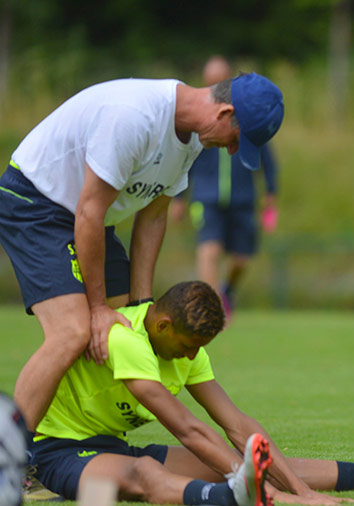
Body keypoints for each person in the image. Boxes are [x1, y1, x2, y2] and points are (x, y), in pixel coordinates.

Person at [0, 70, 285, 433]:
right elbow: (89, 211)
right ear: (225, 113)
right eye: (236, 140)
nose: (231, 150)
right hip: (35, 200)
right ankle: (9, 457)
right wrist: (98, 308)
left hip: (86, 216)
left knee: (129, 329)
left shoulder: (194, 140)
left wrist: (140, 304)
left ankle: (69, 439)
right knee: (72, 331)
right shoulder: (135, 118)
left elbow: (153, 217)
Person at [26, 281, 354, 506]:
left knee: (261, 460)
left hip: (107, 445)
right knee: (142, 480)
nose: (193, 356)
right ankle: (235, 497)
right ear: (162, 327)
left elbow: (236, 424)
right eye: (189, 345)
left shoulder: (184, 346)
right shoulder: (127, 341)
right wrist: (273, 492)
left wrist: (292, 486)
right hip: (57, 453)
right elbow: (190, 429)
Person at [170, 56, 280, 317]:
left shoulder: (248, 118)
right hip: (206, 198)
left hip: (243, 198)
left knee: (242, 258)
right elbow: (187, 162)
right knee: (210, 249)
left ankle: (226, 289)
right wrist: (178, 198)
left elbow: (268, 161)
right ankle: (212, 311)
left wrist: (271, 193)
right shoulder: (200, 123)